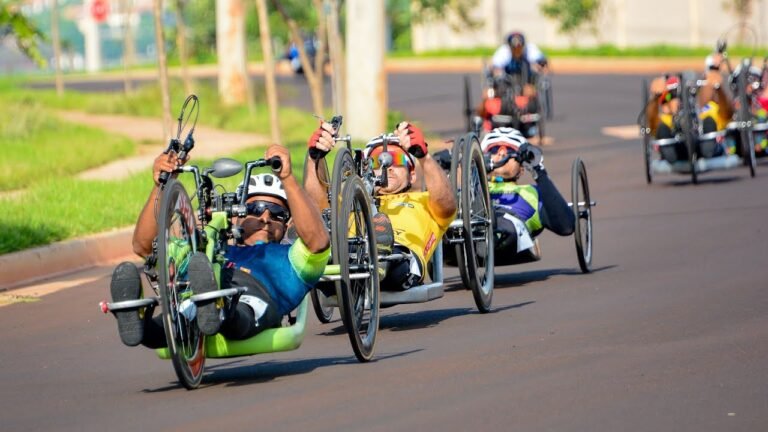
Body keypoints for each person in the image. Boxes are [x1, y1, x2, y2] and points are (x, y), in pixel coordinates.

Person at [109, 144, 330, 348]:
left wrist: (287, 178)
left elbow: (319, 241)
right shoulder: (208, 252)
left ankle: (219, 307)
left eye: (276, 213)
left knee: (245, 309)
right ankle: (138, 322)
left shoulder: (293, 259)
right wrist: (162, 185)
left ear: (287, 222)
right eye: (254, 209)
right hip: (204, 288)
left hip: (256, 297)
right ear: (237, 216)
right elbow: (145, 246)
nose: (264, 218)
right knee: (182, 315)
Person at [304, 121, 457, 291]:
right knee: (317, 239)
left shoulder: (425, 200)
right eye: (376, 161)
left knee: (388, 250)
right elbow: (317, 208)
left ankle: (379, 254)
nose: (388, 166)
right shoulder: (351, 200)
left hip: (399, 258)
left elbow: (448, 205)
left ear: (412, 175)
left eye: (397, 159)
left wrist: (424, 157)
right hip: (349, 253)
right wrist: (313, 158)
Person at [481, 127, 574, 264]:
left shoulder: (532, 193)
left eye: (510, 151)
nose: (501, 154)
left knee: (503, 224)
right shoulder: (470, 188)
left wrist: (538, 169)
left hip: (506, 228)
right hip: (466, 226)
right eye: (494, 150)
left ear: (522, 168)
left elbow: (566, 227)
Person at [645, 50, 734, 159]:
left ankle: (708, 148)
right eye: (673, 96)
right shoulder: (665, 120)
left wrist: (719, 89)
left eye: (683, 96)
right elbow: (650, 121)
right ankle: (670, 154)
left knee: (709, 121)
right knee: (662, 129)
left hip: (705, 149)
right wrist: (655, 98)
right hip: (678, 153)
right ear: (665, 104)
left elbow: (728, 112)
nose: (679, 100)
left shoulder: (706, 111)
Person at [478, 31, 548, 135]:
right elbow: (494, 68)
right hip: (505, 83)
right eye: (514, 47)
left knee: (532, 91)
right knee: (487, 95)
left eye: (519, 47)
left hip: (525, 81)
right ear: (509, 47)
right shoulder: (503, 52)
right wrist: (497, 75)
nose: (517, 50)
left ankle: (530, 123)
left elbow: (542, 63)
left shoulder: (531, 50)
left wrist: (537, 74)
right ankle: (483, 121)